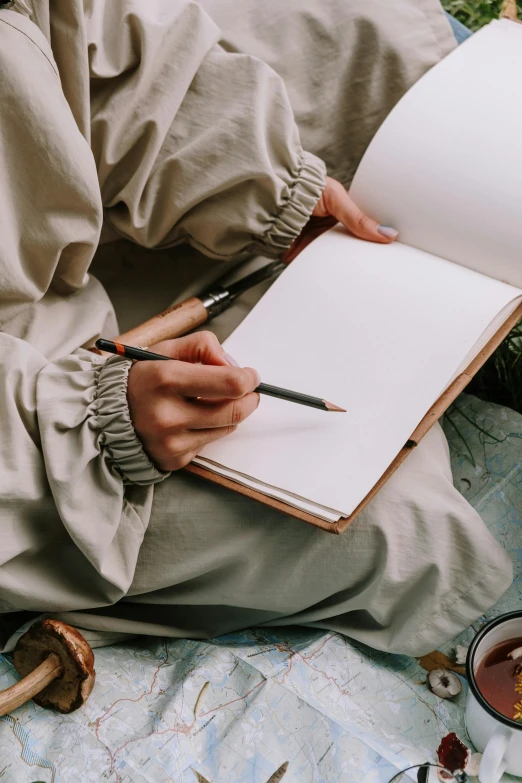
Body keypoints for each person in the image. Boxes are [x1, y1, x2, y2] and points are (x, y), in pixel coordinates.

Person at [0, 0, 511, 656]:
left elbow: (89, 44)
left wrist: (268, 187)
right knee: (397, 525)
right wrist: (97, 426)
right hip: (34, 446)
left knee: (375, 50)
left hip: (84, 229)